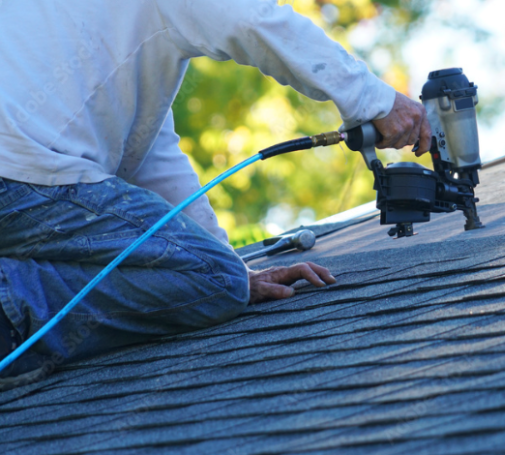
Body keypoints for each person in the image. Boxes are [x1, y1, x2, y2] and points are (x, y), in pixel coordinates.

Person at [0, 0, 432, 389]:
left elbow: (151, 155)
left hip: (20, 173)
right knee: (216, 282)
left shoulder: (115, 40)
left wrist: (227, 264)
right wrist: (374, 99)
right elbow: (251, 19)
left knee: (219, 277)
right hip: (19, 171)